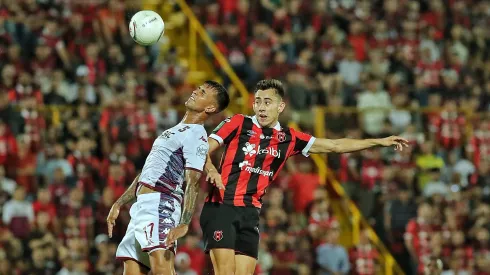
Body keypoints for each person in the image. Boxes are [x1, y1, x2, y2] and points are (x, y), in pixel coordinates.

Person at [202, 79, 409, 275]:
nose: (261, 107)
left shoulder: (289, 138)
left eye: (267, 102)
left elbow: (335, 146)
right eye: (257, 102)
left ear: (280, 107)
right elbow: (201, 149)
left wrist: (379, 141)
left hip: (251, 212)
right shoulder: (238, 123)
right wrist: (211, 169)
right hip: (222, 205)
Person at [106, 81, 230, 275]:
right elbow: (146, 172)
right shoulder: (174, 130)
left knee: (162, 270)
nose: (195, 92)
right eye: (198, 88)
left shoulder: (197, 135)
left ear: (210, 107)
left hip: (161, 204)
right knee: (131, 269)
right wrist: (119, 203)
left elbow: (194, 181)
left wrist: (184, 223)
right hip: (141, 206)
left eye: (203, 92)